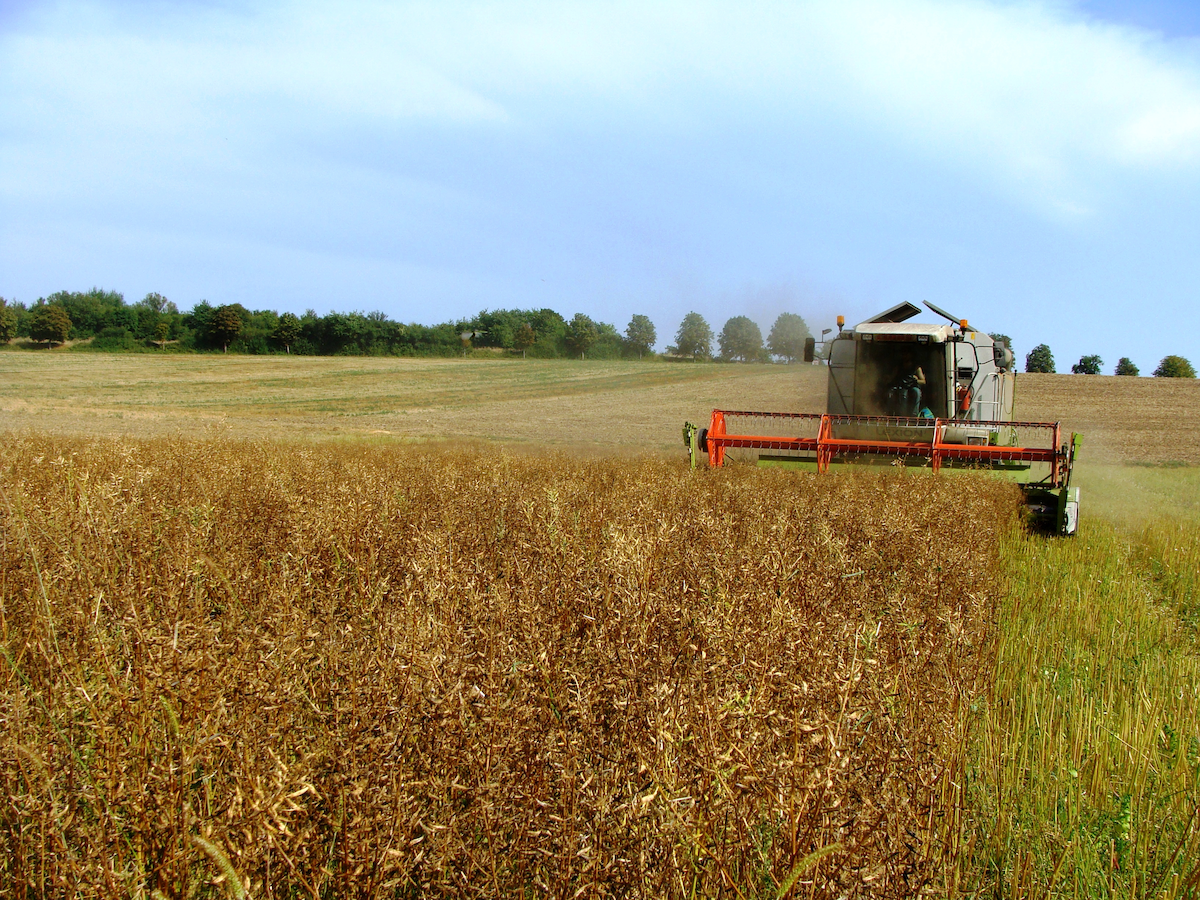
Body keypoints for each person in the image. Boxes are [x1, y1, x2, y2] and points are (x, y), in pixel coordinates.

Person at [887, 351, 926, 416]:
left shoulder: (916, 368)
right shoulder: (899, 367)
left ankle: (914, 414)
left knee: (917, 392)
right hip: (902, 387)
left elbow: (923, 381)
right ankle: (902, 414)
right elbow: (891, 377)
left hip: (913, 386)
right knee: (903, 394)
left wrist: (915, 380)